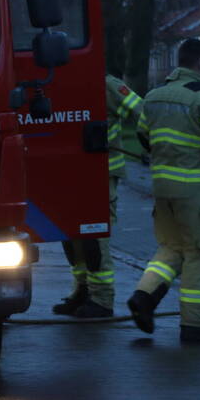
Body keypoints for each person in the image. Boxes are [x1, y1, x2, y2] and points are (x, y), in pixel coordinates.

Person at [127, 38, 200, 342]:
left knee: (172, 248)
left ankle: (143, 297)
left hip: (162, 189)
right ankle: (195, 324)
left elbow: (143, 137)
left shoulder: (154, 95)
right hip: (196, 189)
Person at [53, 73, 142, 318]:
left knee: (94, 236)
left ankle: (102, 298)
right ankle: (82, 291)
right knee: (72, 237)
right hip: (67, 171)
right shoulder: (53, 81)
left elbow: (143, 114)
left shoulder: (106, 85)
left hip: (100, 172)